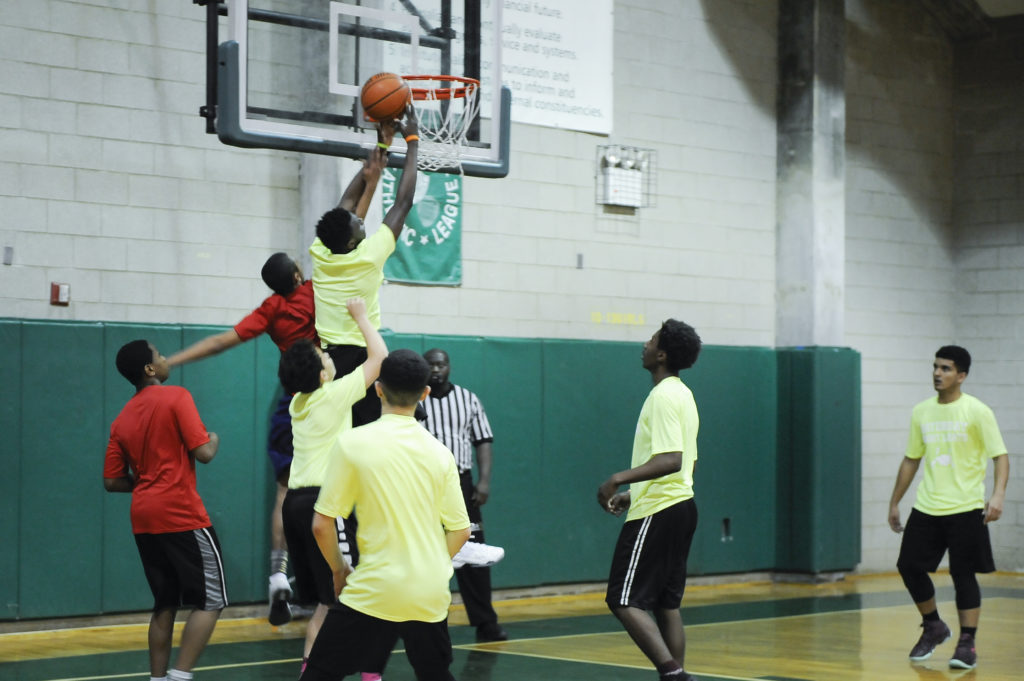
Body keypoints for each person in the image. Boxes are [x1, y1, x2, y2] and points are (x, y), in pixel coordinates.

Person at [165, 130, 392, 625]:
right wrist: (371, 178)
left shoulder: (270, 309)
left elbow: (221, 341)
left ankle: (279, 577)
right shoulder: (318, 285)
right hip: (332, 384)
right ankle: (358, 566)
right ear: (296, 275)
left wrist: (173, 361)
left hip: (294, 402)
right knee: (363, 462)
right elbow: (348, 227)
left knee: (289, 490)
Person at [299, 349, 471, 681]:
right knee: (435, 673)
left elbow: (322, 525)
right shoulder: (441, 454)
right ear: (425, 394)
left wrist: (339, 570)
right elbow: (461, 531)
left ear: (378, 389)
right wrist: (431, 565)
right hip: (429, 592)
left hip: (373, 589)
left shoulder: (352, 443)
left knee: (319, 674)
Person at [277, 297, 387, 674]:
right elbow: (379, 357)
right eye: (323, 357)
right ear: (323, 375)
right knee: (354, 593)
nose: (327, 356)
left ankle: (311, 669)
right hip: (323, 502)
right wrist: (361, 318)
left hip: (294, 504)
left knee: (330, 599)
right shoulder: (334, 395)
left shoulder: (297, 403)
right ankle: (367, 669)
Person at [103, 340, 225, 681]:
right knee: (212, 600)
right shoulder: (177, 397)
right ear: (149, 369)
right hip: (180, 513)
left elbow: (112, 481)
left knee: (165, 602)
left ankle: (157, 678)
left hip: (144, 519)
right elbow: (204, 453)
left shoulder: (122, 419)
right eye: (159, 355)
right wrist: (214, 437)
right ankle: (180, 675)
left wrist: (147, 482)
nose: (164, 358)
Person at [888, 345, 1009, 670]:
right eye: (935, 367)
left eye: (945, 368)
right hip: (928, 506)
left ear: (962, 375)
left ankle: (967, 643)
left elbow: (1000, 456)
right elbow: (911, 459)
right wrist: (895, 501)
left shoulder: (977, 411)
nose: (937, 373)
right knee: (908, 565)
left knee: (962, 573)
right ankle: (933, 625)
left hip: (966, 507)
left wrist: (997, 495)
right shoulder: (922, 412)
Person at [596, 320, 703, 681]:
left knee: (622, 599)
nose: (645, 343)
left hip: (660, 510)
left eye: (652, 339)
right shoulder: (684, 394)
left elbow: (671, 459)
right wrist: (633, 493)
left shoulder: (663, 396)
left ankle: (674, 673)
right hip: (682, 505)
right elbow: (688, 463)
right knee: (666, 604)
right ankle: (676, 675)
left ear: (662, 355)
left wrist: (618, 479)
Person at [310, 106, 419, 426]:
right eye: (359, 224)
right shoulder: (370, 255)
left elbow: (345, 205)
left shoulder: (321, 250)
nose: (361, 219)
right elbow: (403, 203)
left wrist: (382, 146)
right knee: (394, 423)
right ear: (350, 243)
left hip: (330, 360)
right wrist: (412, 141)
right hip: (362, 356)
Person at [421, 348, 508, 642]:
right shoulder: (416, 399)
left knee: (474, 553)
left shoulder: (467, 399)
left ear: (449, 366)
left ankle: (486, 623)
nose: (436, 369)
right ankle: (422, 621)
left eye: (441, 364)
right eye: (431, 364)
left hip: (462, 483)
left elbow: (483, 441)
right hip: (425, 485)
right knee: (424, 551)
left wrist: (483, 482)